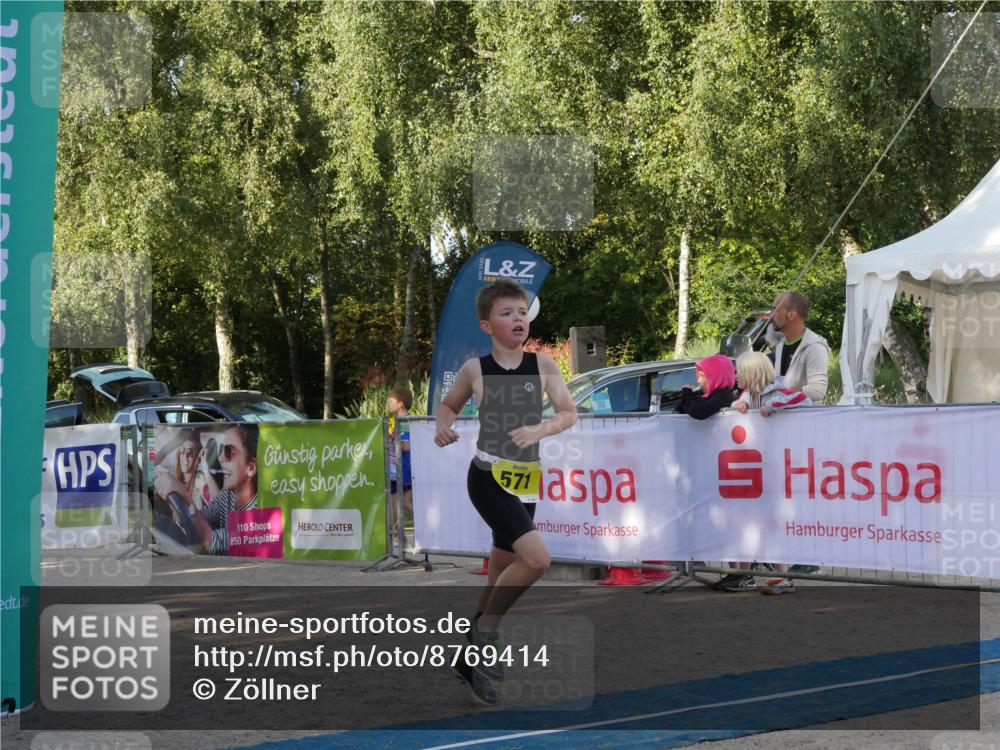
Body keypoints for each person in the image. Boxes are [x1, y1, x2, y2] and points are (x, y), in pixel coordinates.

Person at [434, 279, 577, 705]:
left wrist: (541, 427)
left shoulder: (545, 365)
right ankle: (488, 633)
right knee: (538, 560)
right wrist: (443, 424)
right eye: (506, 313)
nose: (517, 319)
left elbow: (569, 413)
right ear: (486, 325)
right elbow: (448, 406)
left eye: (521, 313)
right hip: (488, 478)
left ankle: (466, 658)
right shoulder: (474, 370)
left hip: (526, 480)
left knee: (499, 573)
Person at [731, 351, 812, 594]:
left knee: (772, 523)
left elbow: (803, 399)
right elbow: (736, 408)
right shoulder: (748, 394)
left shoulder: (776, 391)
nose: (735, 376)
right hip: (756, 469)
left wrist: (773, 406)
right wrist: (738, 405)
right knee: (752, 522)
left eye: (740, 371)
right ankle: (748, 574)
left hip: (776, 468)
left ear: (752, 373)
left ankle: (783, 576)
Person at [189, 424, 259, 556]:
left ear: (250, 468)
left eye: (229, 452)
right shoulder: (227, 496)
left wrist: (185, 500)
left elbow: (210, 541)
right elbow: (203, 516)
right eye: (221, 450)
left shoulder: (258, 511)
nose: (220, 458)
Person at [766, 291, 830, 404]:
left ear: (791, 314)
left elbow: (817, 390)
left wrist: (781, 393)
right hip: (783, 417)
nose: (771, 316)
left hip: (804, 419)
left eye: (776, 310)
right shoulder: (781, 345)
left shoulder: (814, 346)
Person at [673, 354, 737, 420]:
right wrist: (687, 399)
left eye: (702, 376)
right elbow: (680, 408)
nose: (698, 381)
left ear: (715, 377)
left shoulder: (723, 395)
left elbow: (699, 411)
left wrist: (687, 395)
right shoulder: (712, 395)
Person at [387, 387, 413, 542]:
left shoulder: (404, 421)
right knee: (400, 501)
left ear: (400, 404)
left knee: (399, 502)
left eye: (391, 402)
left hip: (401, 467)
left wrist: (393, 440)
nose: (388, 404)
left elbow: (406, 445)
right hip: (394, 467)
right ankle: (397, 536)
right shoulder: (393, 421)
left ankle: (397, 536)